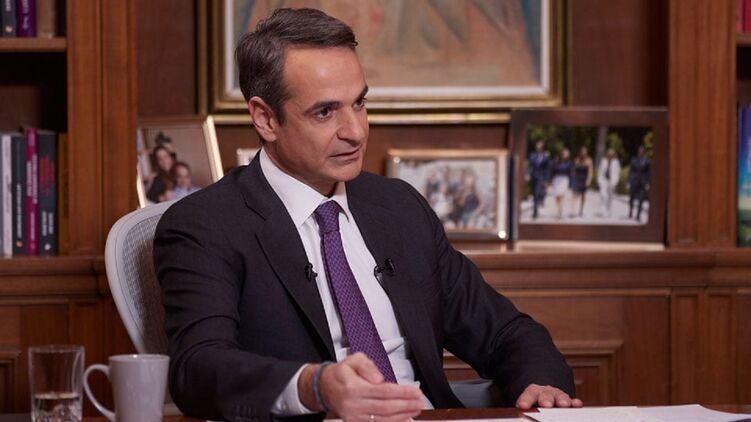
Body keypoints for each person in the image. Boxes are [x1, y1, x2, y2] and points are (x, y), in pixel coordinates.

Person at [154, 8, 580, 422]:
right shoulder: (206, 225)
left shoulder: (398, 207)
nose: (356, 132)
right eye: (325, 112)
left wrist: (541, 385)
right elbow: (198, 369)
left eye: (359, 103)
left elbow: (505, 332)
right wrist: (314, 386)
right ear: (265, 118)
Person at [528, 141, 551, 219]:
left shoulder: (545, 156)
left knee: (538, 193)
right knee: (535, 194)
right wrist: (527, 174)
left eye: (540, 146)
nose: (538, 147)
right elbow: (529, 166)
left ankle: (535, 210)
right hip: (534, 176)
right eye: (537, 146)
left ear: (542, 147)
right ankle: (536, 210)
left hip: (541, 177)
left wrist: (547, 179)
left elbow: (547, 169)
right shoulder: (532, 155)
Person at [627, 145, 651, 222]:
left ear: (644, 152)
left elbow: (648, 173)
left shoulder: (647, 161)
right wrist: (628, 182)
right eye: (640, 150)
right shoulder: (633, 160)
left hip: (642, 182)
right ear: (638, 151)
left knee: (641, 199)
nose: (641, 152)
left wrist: (648, 183)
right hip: (634, 181)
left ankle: (638, 215)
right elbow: (630, 171)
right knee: (631, 198)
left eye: (642, 151)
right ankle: (630, 212)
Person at [597, 147, 621, 218]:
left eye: (611, 154)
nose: (610, 155)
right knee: (603, 195)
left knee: (610, 197)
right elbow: (600, 170)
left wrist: (615, 181)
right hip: (604, 180)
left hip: (612, 181)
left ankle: (609, 210)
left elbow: (617, 172)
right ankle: (603, 210)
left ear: (613, 155)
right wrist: (599, 180)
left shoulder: (616, 162)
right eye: (609, 153)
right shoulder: (604, 161)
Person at [549, 148, 572, 220]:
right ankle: (559, 209)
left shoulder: (569, 163)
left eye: (567, 154)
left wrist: (571, 183)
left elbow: (571, 173)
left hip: (564, 180)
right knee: (557, 196)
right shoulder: (556, 161)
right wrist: (550, 180)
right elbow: (552, 171)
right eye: (564, 153)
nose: (565, 155)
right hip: (556, 179)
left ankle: (559, 212)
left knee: (562, 195)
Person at [570, 146, 593, 217]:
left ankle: (581, 209)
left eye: (584, 152)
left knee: (583, 195)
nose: (583, 153)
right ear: (580, 152)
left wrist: (588, 180)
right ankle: (573, 210)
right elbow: (573, 170)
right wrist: (572, 178)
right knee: (574, 194)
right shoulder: (576, 160)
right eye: (582, 152)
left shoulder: (589, 160)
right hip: (577, 179)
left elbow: (590, 172)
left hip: (584, 179)